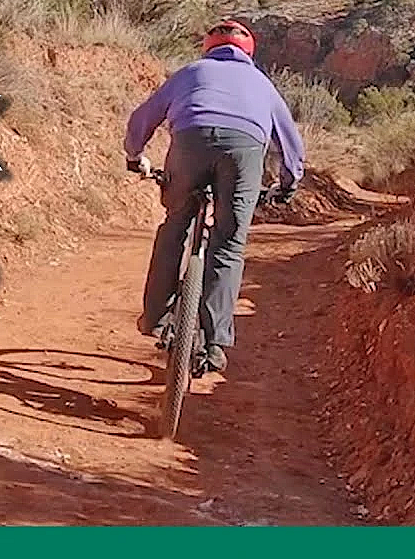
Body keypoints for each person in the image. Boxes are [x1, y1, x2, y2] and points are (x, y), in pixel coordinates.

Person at [123, 19, 305, 373]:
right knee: (230, 244)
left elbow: (143, 118)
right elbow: (290, 143)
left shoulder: (191, 72)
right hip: (243, 153)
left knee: (175, 226)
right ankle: (216, 342)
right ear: (248, 53)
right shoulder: (261, 84)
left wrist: (135, 155)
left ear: (208, 47)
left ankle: (156, 318)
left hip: (190, 145)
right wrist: (288, 183)